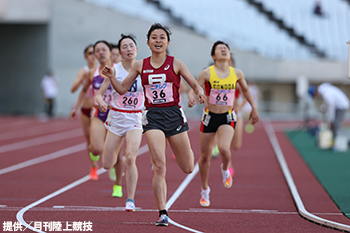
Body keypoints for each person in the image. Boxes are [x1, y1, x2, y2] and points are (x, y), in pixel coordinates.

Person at [102, 23, 206, 226]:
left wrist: (198, 93)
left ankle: (183, 152)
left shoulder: (176, 63)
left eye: (162, 38)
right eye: (154, 37)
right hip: (152, 117)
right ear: (148, 42)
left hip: (174, 115)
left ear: (167, 42)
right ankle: (162, 212)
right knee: (159, 166)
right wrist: (112, 77)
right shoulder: (140, 65)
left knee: (187, 167)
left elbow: (193, 85)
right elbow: (122, 89)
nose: (158, 41)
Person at [188, 41, 259, 207]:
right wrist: (192, 96)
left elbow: (246, 91)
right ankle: (205, 190)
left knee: (224, 149)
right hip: (209, 117)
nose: (224, 50)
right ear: (214, 56)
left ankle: (225, 168)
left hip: (227, 116)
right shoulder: (207, 73)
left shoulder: (237, 73)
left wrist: (254, 108)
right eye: (220, 49)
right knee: (204, 157)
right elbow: (195, 87)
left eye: (226, 49)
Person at [95, 34, 143, 211]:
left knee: (131, 158)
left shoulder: (145, 69)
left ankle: (130, 199)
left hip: (135, 119)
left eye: (132, 46)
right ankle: (116, 161)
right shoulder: (114, 69)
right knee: (107, 164)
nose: (129, 49)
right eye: (125, 47)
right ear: (120, 52)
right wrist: (101, 102)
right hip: (116, 118)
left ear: (136, 49)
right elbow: (99, 94)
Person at [70, 41, 124, 190]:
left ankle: (118, 185)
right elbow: (83, 90)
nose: (100, 53)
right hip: (98, 113)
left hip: (116, 115)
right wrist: (76, 108)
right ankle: (94, 154)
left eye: (103, 50)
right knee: (96, 148)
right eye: (97, 50)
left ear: (110, 53)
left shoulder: (118, 71)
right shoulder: (91, 73)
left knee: (118, 154)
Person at [70, 44, 98, 180]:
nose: (93, 55)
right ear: (86, 56)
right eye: (90, 53)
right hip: (86, 109)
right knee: (89, 140)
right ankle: (93, 166)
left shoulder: (102, 69)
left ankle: (113, 162)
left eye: (95, 52)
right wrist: (82, 79)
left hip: (99, 109)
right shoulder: (83, 71)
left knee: (99, 139)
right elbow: (73, 89)